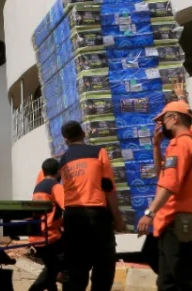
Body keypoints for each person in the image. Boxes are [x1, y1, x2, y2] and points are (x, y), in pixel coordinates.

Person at [137, 101, 192, 291]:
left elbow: (170, 183)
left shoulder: (181, 144)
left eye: (164, 120)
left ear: (174, 118)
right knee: (167, 282)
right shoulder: (185, 144)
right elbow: (163, 175)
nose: (162, 125)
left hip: (176, 222)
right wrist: (156, 146)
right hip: (172, 222)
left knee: (186, 280)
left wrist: (150, 213)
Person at [58, 121, 126, 291]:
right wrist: (118, 218)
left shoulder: (63, 160)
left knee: (75, 271)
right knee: (103, 268)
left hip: (72, 218)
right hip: (96, 216)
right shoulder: (98, 152)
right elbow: (108, 187)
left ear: (65, 139)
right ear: (83, 134)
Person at [29, 158, 66, 291]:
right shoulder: (55, 186)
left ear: (43, 172)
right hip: (50, 236)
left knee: (51, 266)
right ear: (58, 172)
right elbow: (66, 206)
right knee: (60, 265)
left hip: (36, 235)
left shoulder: (38, 187)